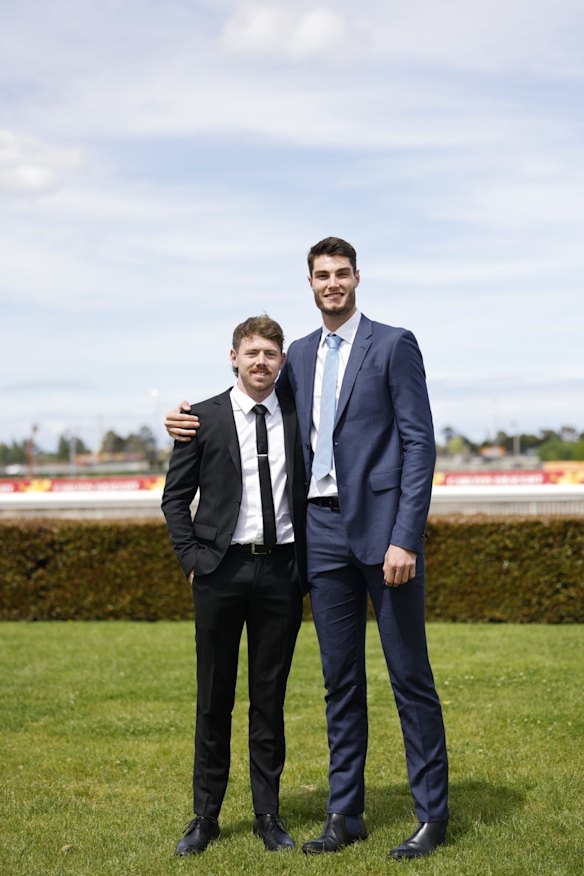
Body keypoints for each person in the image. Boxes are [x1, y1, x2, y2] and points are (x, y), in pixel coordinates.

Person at [165, 238, 449, 861]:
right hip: (318, 534)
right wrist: (185, 417)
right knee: (338, 680)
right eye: (322, 275)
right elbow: (252, 398)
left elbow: (418, 446)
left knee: (408, 675)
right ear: (311, 283)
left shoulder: (394, 344)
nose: (332, 284)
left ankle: (431, 813)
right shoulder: (296, 354)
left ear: (357, 278)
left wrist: (407, 535)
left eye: (342, 274)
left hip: (383, 534)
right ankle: (345, 812)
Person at [161, 315, 307, 857]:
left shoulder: (297, 414)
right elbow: (174, 499)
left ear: (282, 362)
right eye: (252, 353)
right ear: (233, 357)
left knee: (269, 700)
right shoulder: (201, 418)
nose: (261, 362)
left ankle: (268, 815)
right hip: (219, 573)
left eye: (271, 353)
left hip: (283, 574)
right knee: (213, 698)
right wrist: (193, 560)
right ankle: (206, 817)